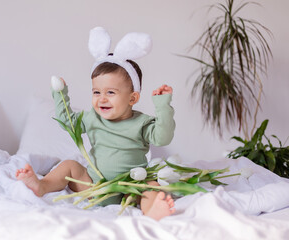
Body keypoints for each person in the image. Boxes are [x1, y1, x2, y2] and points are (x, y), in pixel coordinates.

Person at [16, 27, 176, 221]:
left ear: (132, 98)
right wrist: (60, 95)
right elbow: (68, 122)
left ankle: (153, 208)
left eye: (111, 92)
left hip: (128, 186)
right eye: (96, 92)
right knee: (69, 165)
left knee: (151, 186)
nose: (102, 99)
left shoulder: (141, 122)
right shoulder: (93, 118)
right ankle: (42, 185)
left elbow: (163, 137)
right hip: (93, 185)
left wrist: (163, 106)